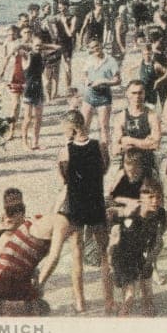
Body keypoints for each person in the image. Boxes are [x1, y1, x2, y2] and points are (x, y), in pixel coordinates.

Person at [54, 110, 114, 313]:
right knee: (104, 253)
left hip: (76, 204)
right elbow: (104, 169)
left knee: (77, 253)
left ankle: (80, 301)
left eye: (65, 129)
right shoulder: (100, 146)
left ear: (72, 127)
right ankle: (109, 300)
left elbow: (64, 179)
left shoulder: (65, 151)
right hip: (95, 202)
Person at [108, 176, 167, 316]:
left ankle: (147, 310)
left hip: (140, 255)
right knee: (130, 297)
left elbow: (160, 237)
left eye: (158, 197)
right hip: (123, 257)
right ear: (140, 198)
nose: (155, 201)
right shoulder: (131, 213)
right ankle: (122, 316)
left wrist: (149, 259)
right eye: (151, 197)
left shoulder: (160, 213)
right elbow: (113, 229)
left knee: (149, 300)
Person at [81, 39, 121, 158]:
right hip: (89, 95)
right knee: (84, 125)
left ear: (101, 45)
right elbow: (84, 74)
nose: (95, 49)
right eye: (92, 47)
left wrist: (104, 81)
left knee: (103, 126)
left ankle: (104, 154)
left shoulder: (110, 60)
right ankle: (83, 152)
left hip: (104, 96)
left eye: (97, 46)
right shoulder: (89, 59)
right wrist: (86, 80)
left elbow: (118, 80)